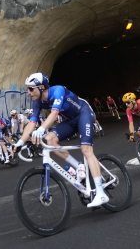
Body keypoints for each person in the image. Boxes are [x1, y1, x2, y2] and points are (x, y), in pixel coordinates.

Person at [18, 72, 108, 208]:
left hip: (83, 113)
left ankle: (101, 193)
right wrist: (19, 143)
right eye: (28, 89)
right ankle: (79, 166)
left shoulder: (57, 90)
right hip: (70, 120)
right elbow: (31, 123)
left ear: (41, 87)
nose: (29, 92)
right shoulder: (37, 102)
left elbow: (54, 113)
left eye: (31, 89)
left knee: (86, 150)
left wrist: (41, 129)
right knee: (49, 141)